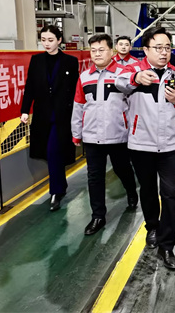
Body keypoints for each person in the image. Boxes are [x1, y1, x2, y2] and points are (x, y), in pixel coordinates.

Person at [116, 26, 175, 270]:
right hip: (141, 144)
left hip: (170, 145)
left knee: (170, 193)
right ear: (146, 49)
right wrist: (136, 78)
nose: (163, 52)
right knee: (148, 190)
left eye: (167, 47)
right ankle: (152, 227)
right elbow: (119, 83)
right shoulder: (133, 70)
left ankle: (167, 245)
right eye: (158, 47)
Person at [71, 34, 139, 236]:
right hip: (92, 136)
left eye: (101, 50)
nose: (97, 54)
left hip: (118, 134)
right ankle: (98, 216)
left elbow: (134, 105)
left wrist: (134, 131)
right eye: (93, 50)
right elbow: (79, 106)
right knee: (94, 177)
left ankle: (131, 192)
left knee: (122, 169)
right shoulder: (84, 77)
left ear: (111, 51)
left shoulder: (124, 75)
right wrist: (76, 133)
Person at [20, 25, 79, 211]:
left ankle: (56, 191)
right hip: (43, 114)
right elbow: (30, 86)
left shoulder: (70, 61)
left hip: (63, 116)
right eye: (43, 40)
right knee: (52, 153)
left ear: (59, 40)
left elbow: (75, 90)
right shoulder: (36, 60)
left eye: (51, 40)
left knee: (54, 151)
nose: (46, 43)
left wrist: (78, 114)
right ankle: (60, 186)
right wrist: (24, 110)